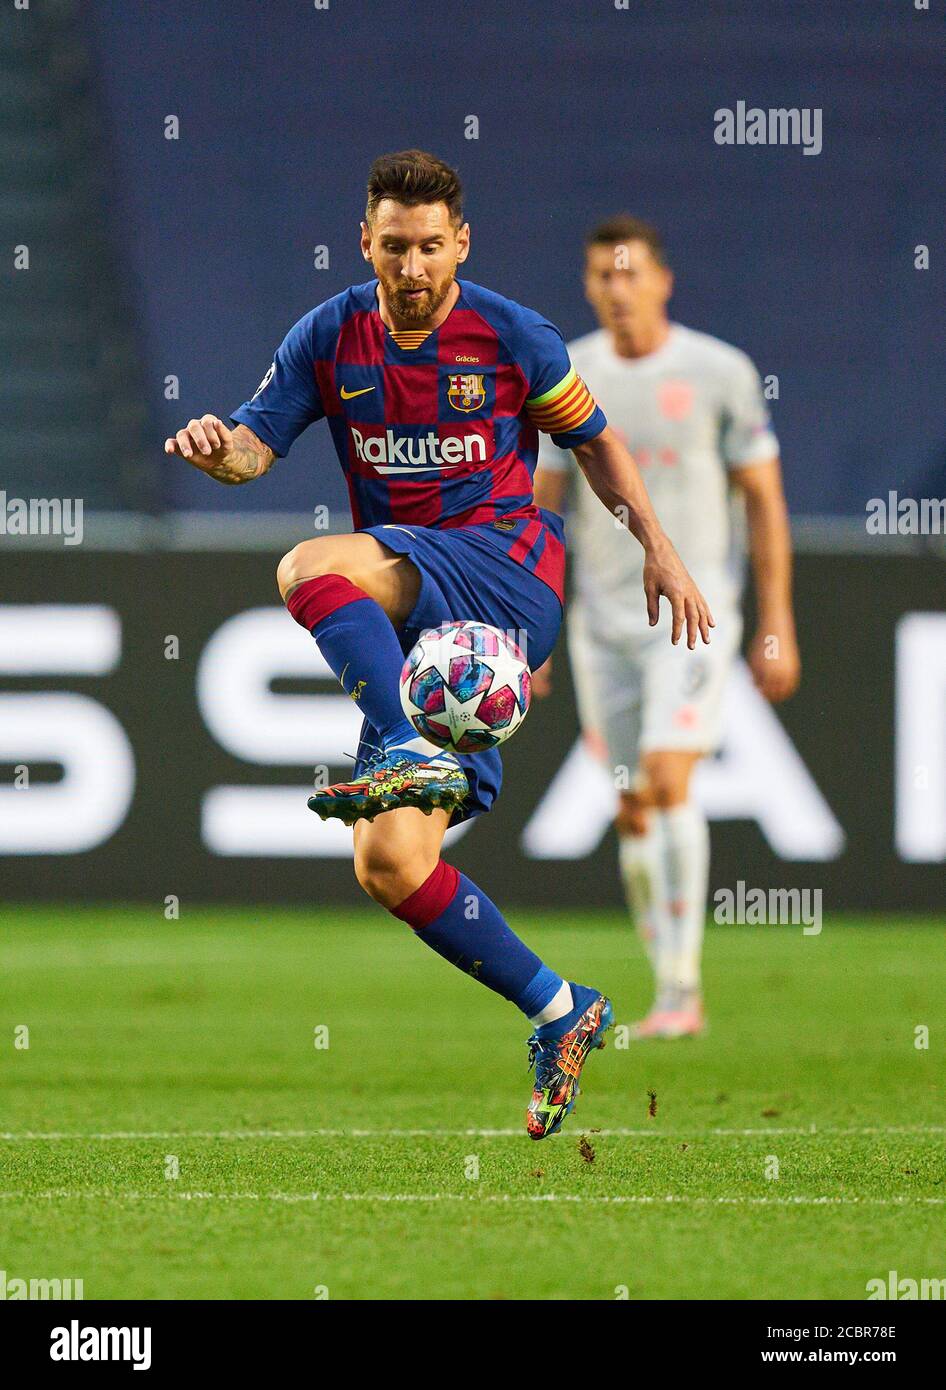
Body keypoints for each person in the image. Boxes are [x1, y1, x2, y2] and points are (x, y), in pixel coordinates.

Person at [165, 155, 713, 1135]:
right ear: (364, 241)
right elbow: (255, 448)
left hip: (506, 569)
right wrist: (219, 452)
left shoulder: (509, 335)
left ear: (460, 244)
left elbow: (593, 441)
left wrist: (658, 550)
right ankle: (559, 1007)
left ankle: (407, 739)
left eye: (430, 246)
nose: (412, 265)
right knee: (389, 860)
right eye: (394, 245)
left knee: (306, 569)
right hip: (423, 619)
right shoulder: (328, 338)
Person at [534, 215, 800, 1039]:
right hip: (601, 620)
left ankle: (683, 992)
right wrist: (531, 628)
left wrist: (776, 622)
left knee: (667, 773)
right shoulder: (568, 372)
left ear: (662, 280)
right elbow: (545, 508)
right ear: (588, 285)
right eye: (602, 277)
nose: (617, 290)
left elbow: (762, 499)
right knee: (631, 803)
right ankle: (668, 984)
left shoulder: (718, 371)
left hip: (691, 610)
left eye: (630, 274)